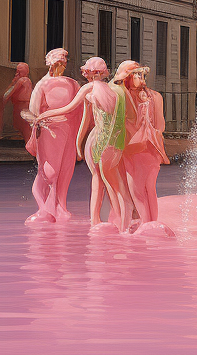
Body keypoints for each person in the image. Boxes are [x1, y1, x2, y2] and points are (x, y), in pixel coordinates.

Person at [32, 56, 136, 230]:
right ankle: (117, 219)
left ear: (89, 73)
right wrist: (77, 144)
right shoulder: (113, 90)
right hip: (113, 142)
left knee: (98, 181)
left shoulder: (90, 88)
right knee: (112, 183)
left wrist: (45, 115)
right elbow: (89, 120)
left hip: (97, 141)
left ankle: (96, 221)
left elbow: (71, 109)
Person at [24, 48, 79, 224]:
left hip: (68, 131)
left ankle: (60, 206)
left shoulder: (72, 83)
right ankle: (43, 207)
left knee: (65, 169)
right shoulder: (43, 85)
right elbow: (32, 112)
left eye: (63, 63)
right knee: (48, 171)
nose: (61, 67)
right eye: (58, 64)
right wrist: (38, 124)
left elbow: (80, 108)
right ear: (51, 64)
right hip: (49, 131)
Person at [114, 60, 169, 225]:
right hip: (153, 149)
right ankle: (152, 224)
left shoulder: (125, 96)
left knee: (137, 191)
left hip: (133, 148)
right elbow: (161, 126)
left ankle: (145, 225)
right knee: (150, 189)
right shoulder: (156, 96)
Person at [2, 62, 33, 143]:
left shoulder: (23, 80)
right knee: (22, 126)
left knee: (23, 126)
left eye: (19, 71)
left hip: (22, 106)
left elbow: (11, 91)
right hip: (20, 105)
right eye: (17, 71)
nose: (17, 73)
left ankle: (29, 145)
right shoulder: (26, 80)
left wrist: (4, 99)